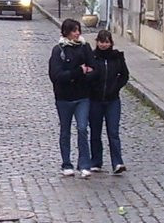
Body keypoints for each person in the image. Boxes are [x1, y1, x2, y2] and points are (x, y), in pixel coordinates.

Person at [48, 17, 94, 178]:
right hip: (64, 98)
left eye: (78, 30)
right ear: (66, 32)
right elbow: (56, 75)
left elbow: (93, 69)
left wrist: (85, 74)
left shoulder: (85, 47)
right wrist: (78, 72)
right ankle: (66, 163)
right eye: (74, 30)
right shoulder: (58, 50)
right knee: (65, 130)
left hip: (82, 96)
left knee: (82, 128)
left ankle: (84, 164)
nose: (77, 33)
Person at [86, 29, 131, 174]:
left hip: (112, 100)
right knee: (95, 132)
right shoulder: (92, 57)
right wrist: (92, 87)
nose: (104, 45)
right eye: (101, 42)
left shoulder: (117, 57)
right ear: (97, 42)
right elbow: (87, 76)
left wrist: (115, 87)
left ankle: (117, 162)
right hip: (95, 100)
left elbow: (124, 75)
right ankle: (96, 161)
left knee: (113, 132)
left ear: (111, 42)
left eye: (106, 42)